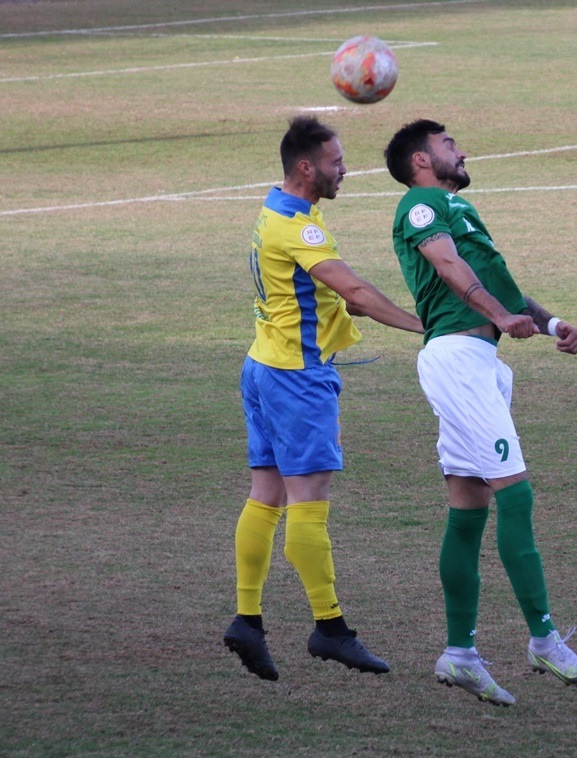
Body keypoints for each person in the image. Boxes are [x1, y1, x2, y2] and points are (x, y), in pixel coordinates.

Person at [383, 119, 577, 707]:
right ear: (422, 161)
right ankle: (544, 641)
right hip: (458, 357)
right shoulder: (423, 204)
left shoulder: (459, 205)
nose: (461, 151)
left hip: (478, 360)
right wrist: (499, 318)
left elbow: (499, 283)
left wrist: (551, 322)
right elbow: (451, 268)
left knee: (468, 504)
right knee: (517, 494)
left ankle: (459, 655)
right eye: (449, 145)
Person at [224, 116, 424, 681]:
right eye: (337, 161)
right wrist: (427, 328)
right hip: (297, 380)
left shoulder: (275, 210)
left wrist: (349, 307)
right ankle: (329, 628)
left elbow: (336, 296)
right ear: (307, 167)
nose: (345, 169)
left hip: (261, 364)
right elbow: (355, 289)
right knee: (308, 504)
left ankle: (247, 618)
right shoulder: (303, 230)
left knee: (265, 495)